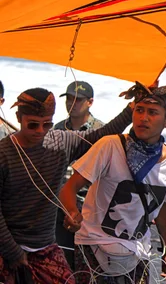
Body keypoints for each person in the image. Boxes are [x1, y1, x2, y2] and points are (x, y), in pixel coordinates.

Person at [0, 87, 133, 283]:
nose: (40, 131)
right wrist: (13, 252)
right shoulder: (3, 154)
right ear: (19, 117)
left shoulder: (60, 143)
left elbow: (101, 136)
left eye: (47, 124)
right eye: (33, 125)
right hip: (5, 247)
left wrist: (131, 109)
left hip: (45, 246)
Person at [59, 84, 166, 284]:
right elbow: (69, 188)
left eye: (152, 112)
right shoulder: (110, 146)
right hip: (93, 246)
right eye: (139, 110)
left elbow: (163, 207)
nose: (143, 118)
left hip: (138, 251)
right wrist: (72, 212)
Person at [53, 81, 105, 269]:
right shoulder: (57, 128)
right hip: (60, 204)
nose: (71, 103)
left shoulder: (101, 131)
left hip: (89, 206)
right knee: (63, 259)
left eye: (77, 100)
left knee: (88, 263)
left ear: (90, 102)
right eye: (68, 98)